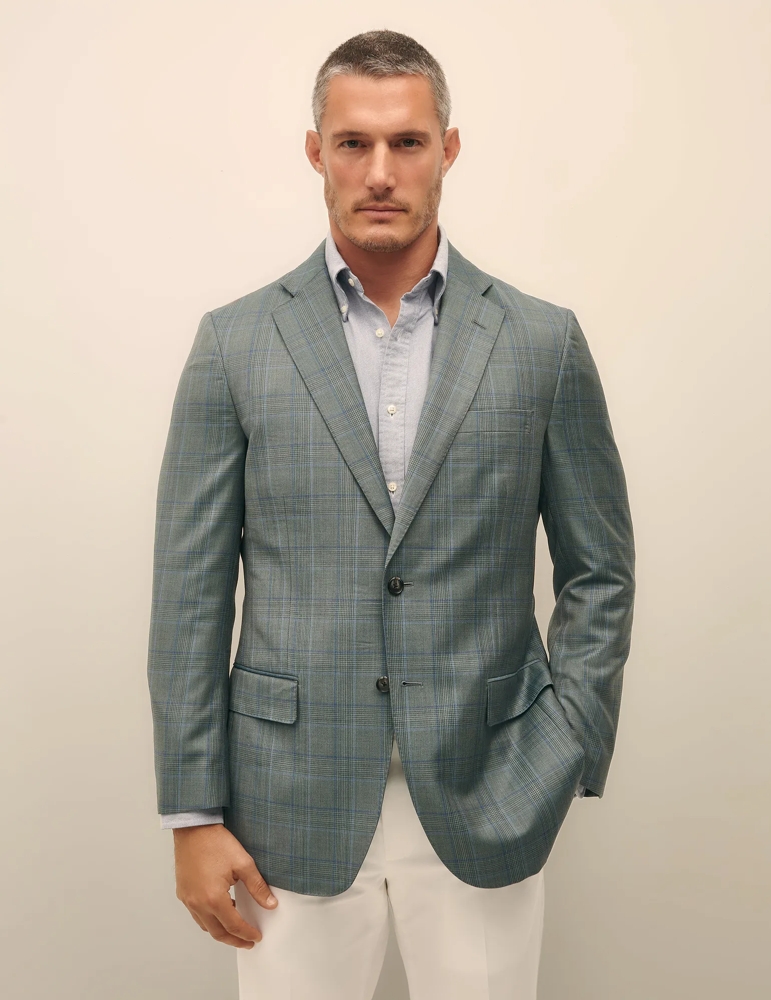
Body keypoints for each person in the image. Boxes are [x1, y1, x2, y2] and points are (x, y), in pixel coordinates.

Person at [147, 28, 635, 1000]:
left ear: (447, 149)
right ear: (315, 151)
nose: (380, 171)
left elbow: (600, 570)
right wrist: (192, 812)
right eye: (353, 143)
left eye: (406, 142)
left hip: (489, 784)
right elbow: (190, 596)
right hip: (287, 799)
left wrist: (565, 743)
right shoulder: (235, 345)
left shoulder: (541, 342)